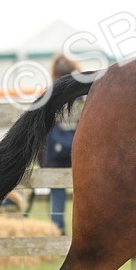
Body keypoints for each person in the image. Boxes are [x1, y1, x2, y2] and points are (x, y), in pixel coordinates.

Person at [40, 54, 84, 234]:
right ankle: (82, 232)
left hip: (55, 156)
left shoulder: (49, 95)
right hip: (79, 153)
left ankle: (58, 231)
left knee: (57, 196)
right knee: (83, 194)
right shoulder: (81, 95)